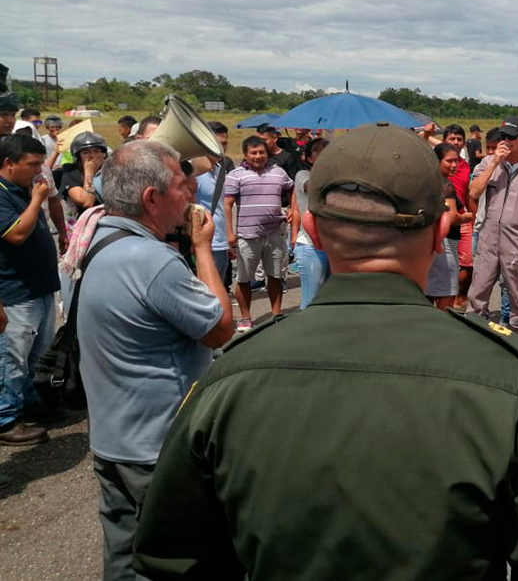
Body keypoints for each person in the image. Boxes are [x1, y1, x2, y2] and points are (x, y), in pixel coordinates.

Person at [132, 123, 518, 580]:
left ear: (313, 231)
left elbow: (172, 559)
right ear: (436, 230)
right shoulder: (505, 381)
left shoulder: (230, 377)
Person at [76, 140, 233, 581]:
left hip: (113, 436)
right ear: (151, 198)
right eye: (182, 187)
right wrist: (202, 248)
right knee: (180, 556)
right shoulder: (151, 260)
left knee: (125, 555)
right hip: (157, 445)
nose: (191, 196)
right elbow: (220, 327)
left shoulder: (100, 237)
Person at [0, 136, 60, 446]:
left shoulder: (23, 189)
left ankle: (30, 403)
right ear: (9, 163)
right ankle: (6, 418)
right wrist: (38, 199)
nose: (39, 171)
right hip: (16, 290)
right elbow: (17, 234)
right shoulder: (3, 194)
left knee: (39, 355)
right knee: (13, 358)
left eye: (41, 163)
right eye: (32, 164)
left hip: (40, 286)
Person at [467, 117, 518, 339]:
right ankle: (475, 335)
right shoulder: (487, 164)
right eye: (503, 137)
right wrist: (494, 162)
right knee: (478, 290)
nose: (506, 141)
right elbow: (473, 193)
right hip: (488, 236)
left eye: (512, 137)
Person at [224, 135, 297, 332]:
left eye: (261, 152)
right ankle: (246, 317)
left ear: (267, 153)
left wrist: (292, 209)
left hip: (275, 233)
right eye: (253, 153)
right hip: (247, 235)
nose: (258, 156)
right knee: (244, 279)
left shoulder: (278, 172)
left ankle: (276, 314)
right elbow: (227, 205)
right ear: (245, 155)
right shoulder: (236, 175)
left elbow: (292, 189)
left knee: (274, 276)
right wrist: (229, 233)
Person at [425, 143, 470, 309]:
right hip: (445, 246)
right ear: (437, 161)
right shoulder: (446, 186)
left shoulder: (426, 182)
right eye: (449, 161)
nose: (454, 165)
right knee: (447, 295)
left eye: (456, 161)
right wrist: (468, 216)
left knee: (427, 293)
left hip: (427, 243)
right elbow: (451, 217)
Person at [291, 137, 329, 308]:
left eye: (326, 149)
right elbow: (312, 187)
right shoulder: (302, 175)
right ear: (307, 158)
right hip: (310, 247)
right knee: (311, 299)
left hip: (331, 245)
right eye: (317, 150)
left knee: (329, 298)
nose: (322, 152)